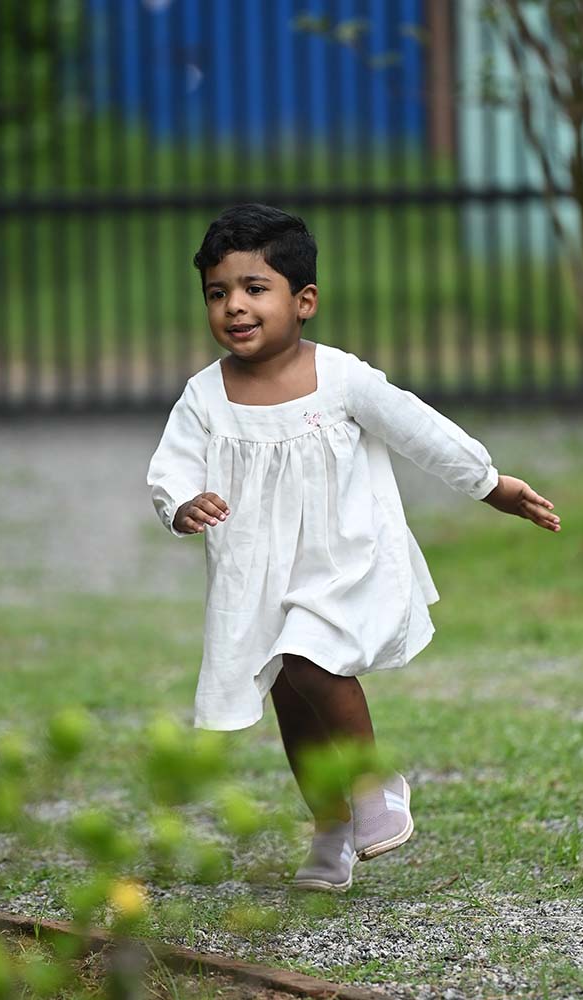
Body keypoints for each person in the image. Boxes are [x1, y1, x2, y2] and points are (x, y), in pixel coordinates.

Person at [146, 203, 560, 892]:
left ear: (303, 300)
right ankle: (331, 829)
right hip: (258, 574)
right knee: (292, 704)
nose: (235, 308)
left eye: (255, 289)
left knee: (312, 660)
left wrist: (491, 484)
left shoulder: (341, 379)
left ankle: (375, 782)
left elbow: (419, 429)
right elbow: (172, 466)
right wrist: (183, 502)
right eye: (217, 293)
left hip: (343, 559)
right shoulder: (205, 397)